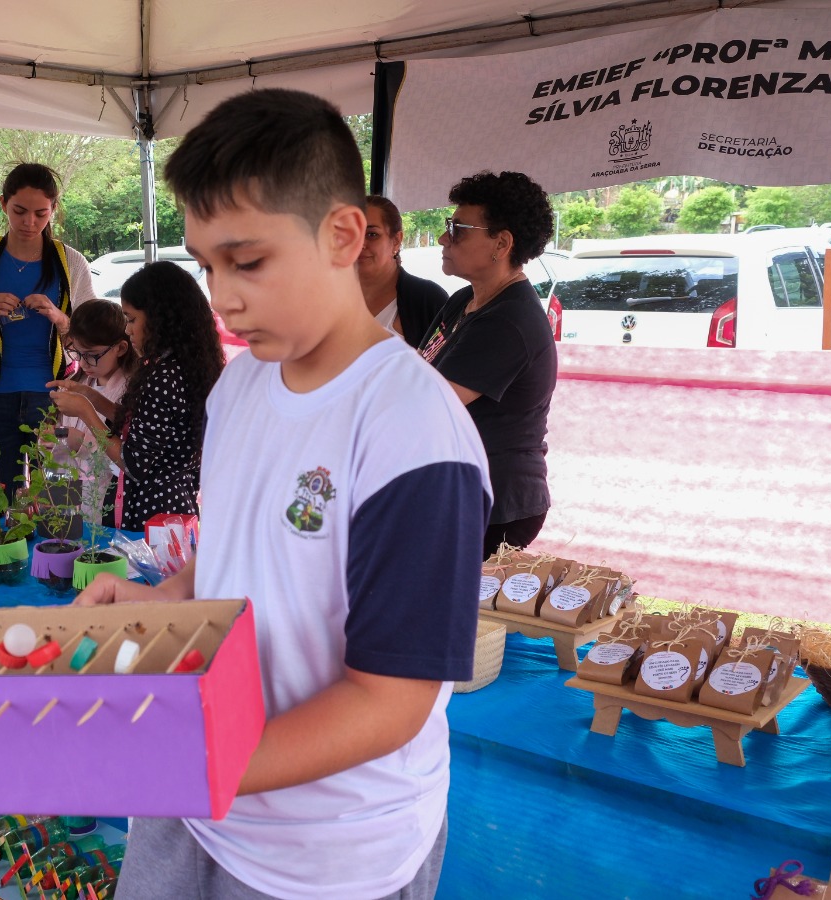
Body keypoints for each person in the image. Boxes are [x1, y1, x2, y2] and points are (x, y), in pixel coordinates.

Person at [77, 89, 490, 900]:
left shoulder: (413, 432)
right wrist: (160, 600)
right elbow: (233, 552)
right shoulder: (238, 390)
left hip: (328, 853)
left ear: (343, 235)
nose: (221, 296)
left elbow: (389, 703)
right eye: (206, 264)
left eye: (248, 261)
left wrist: (193, 762)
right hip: (195, 802)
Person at [418, 171, 558, 557]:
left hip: (494, 503)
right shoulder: (463, 299)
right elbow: (415, 370)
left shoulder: (508, 321)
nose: (444, 238)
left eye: (457, 228)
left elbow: (424, 402)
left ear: (501, 243)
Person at [0, 163, 99, 500]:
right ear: (3, 204)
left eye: (40, 213)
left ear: (53, 210)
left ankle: (53, 555)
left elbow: (92, 341)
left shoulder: (71, 263)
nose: (29, 222)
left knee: (56, 497)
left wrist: (59, 317)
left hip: (55, 397)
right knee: (3, 496)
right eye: (19, 211)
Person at [50, 262, 223, 531]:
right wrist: (93, 398)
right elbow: (145, 426)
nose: (128, 330)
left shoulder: (163, 377)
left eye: (131, 320)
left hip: (155, 513)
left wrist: (86, 412)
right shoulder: (181, 366)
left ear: (159, 318)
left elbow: (134, 463)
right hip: (173, 505)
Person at [50, 299, 138, 463]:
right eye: (77, 353)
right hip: (68, 485)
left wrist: (82, 441)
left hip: (104, 488)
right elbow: (60, 458)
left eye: (91, 355)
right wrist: (51, 439)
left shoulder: (132, 391)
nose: (83, 363)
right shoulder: (79, 383)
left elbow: (132, 460)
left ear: (120, 348)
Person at [357, 196, 449, 346]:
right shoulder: (326, 297)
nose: (360, 244)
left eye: (372, 234)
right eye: (352, 234)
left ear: (396, 240)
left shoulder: (427, 299)